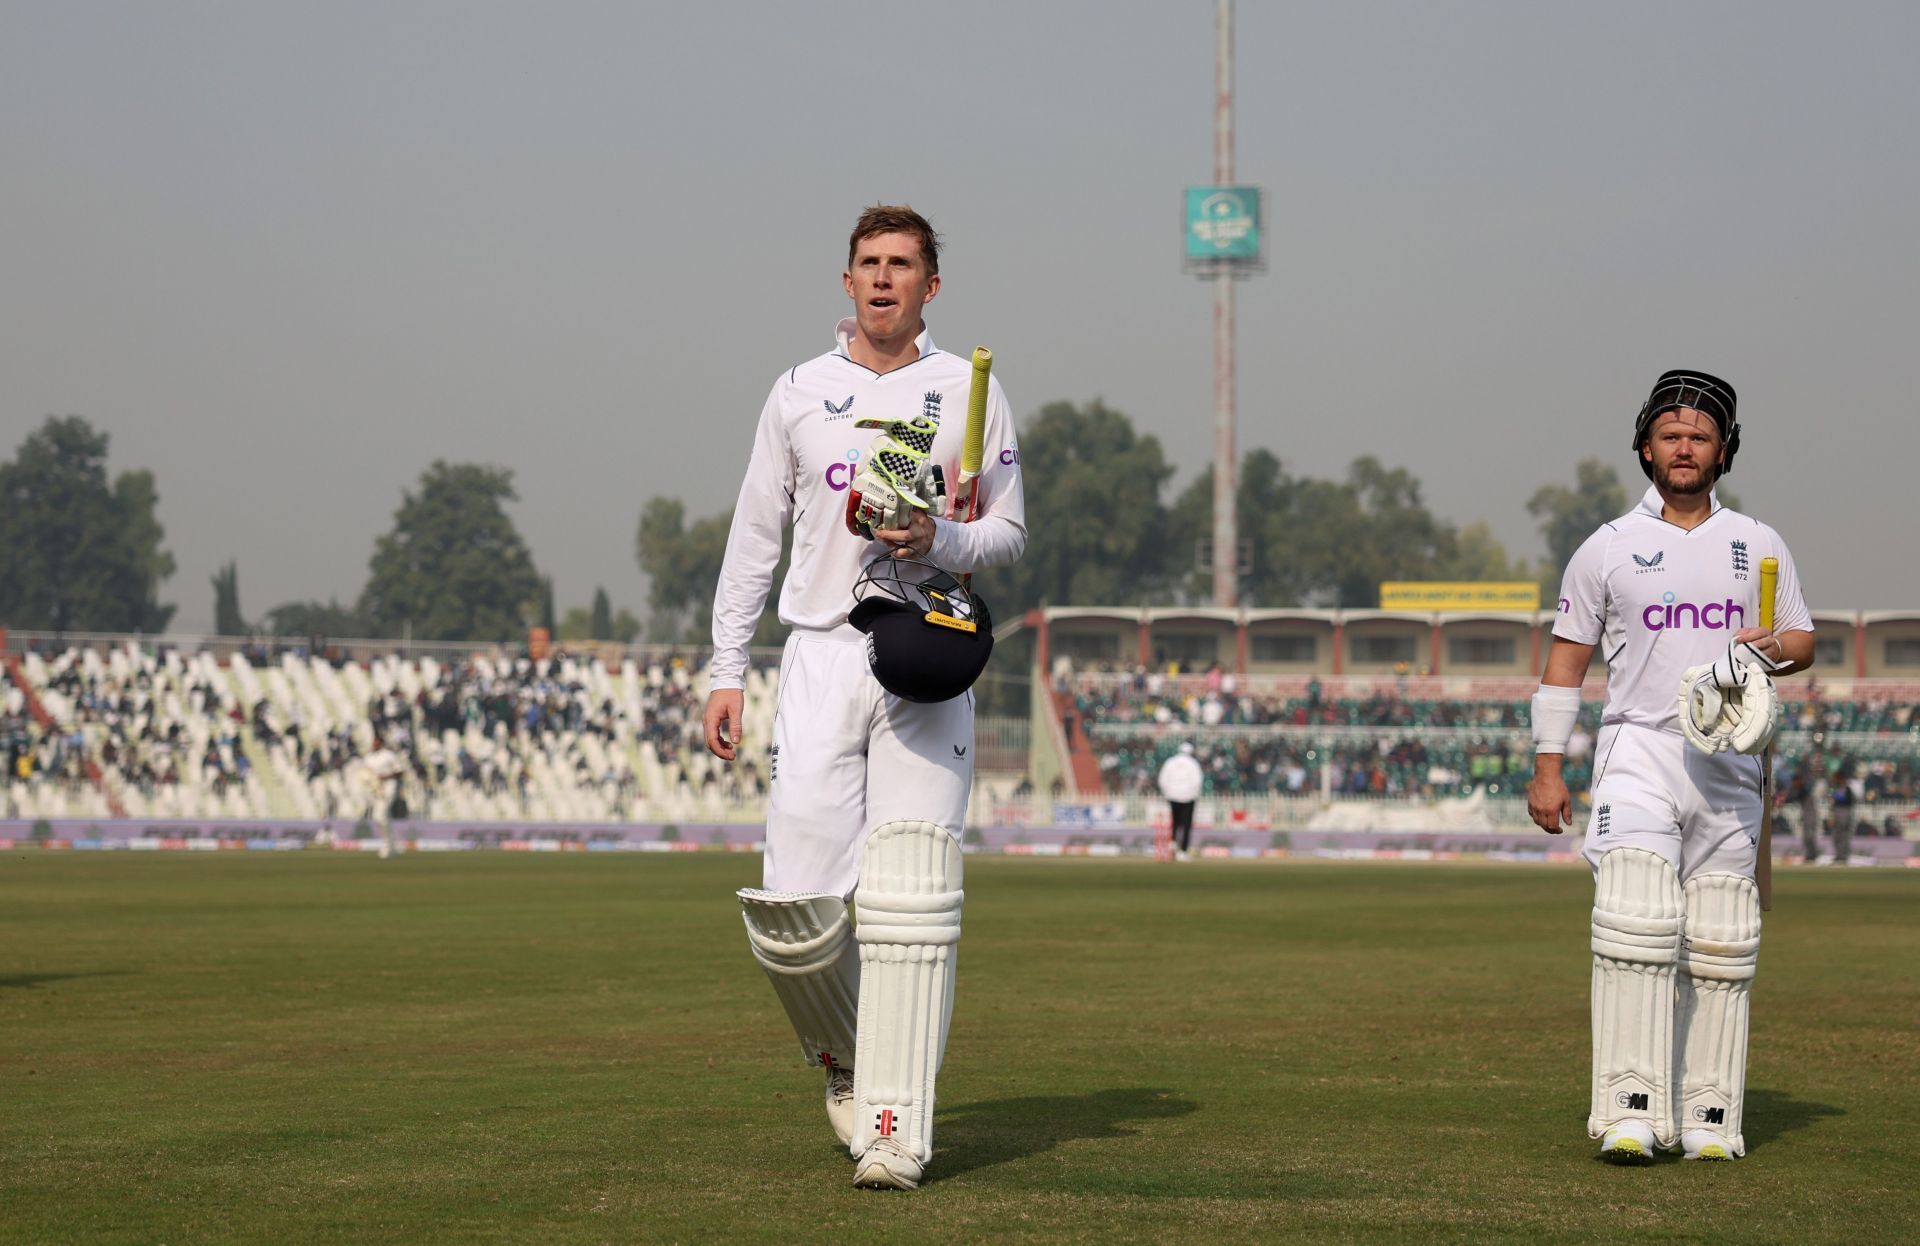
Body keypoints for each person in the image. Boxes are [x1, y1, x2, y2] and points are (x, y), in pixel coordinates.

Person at [704, 205, 1026, 1190]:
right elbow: (755, 537)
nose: (884, 278)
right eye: (868, 264)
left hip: (926, 653)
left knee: (911, 900)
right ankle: (847, 1060)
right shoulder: (798, 391)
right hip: (818, 655)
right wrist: (725, 668)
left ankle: (896, 1126)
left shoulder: (968, 391)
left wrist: (940, 540)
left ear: (933, 285)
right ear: (846, 281)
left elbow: (1006, 535)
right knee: (795, 910)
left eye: (904, 265)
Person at [1526, 370, 1814, 1164]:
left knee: (1721, 936)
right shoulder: (1609, 547)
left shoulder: (1758, 543)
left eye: (1699, 435)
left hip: (1729, 759)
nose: (1683, 448)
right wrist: (1548, 766)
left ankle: (1711, 1118)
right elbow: (1565, 663)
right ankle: (1630, 1109)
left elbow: (1802, 641)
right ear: (1645, 447)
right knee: (1635, 918)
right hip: (1639, 749)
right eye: (1669, 434)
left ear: (1724, 450)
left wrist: (1774, 651)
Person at [1157, 741, 1204, 860]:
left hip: (1172, 796)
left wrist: (1167, 793)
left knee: (1175, 822)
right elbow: (1197, 781)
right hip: (1188, 797)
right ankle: (1182, 851)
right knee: (1186, 825)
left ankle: (1172, 844)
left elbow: (1162, 779)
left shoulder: (1170, 762)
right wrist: (1193, 794)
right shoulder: (1193, 763)